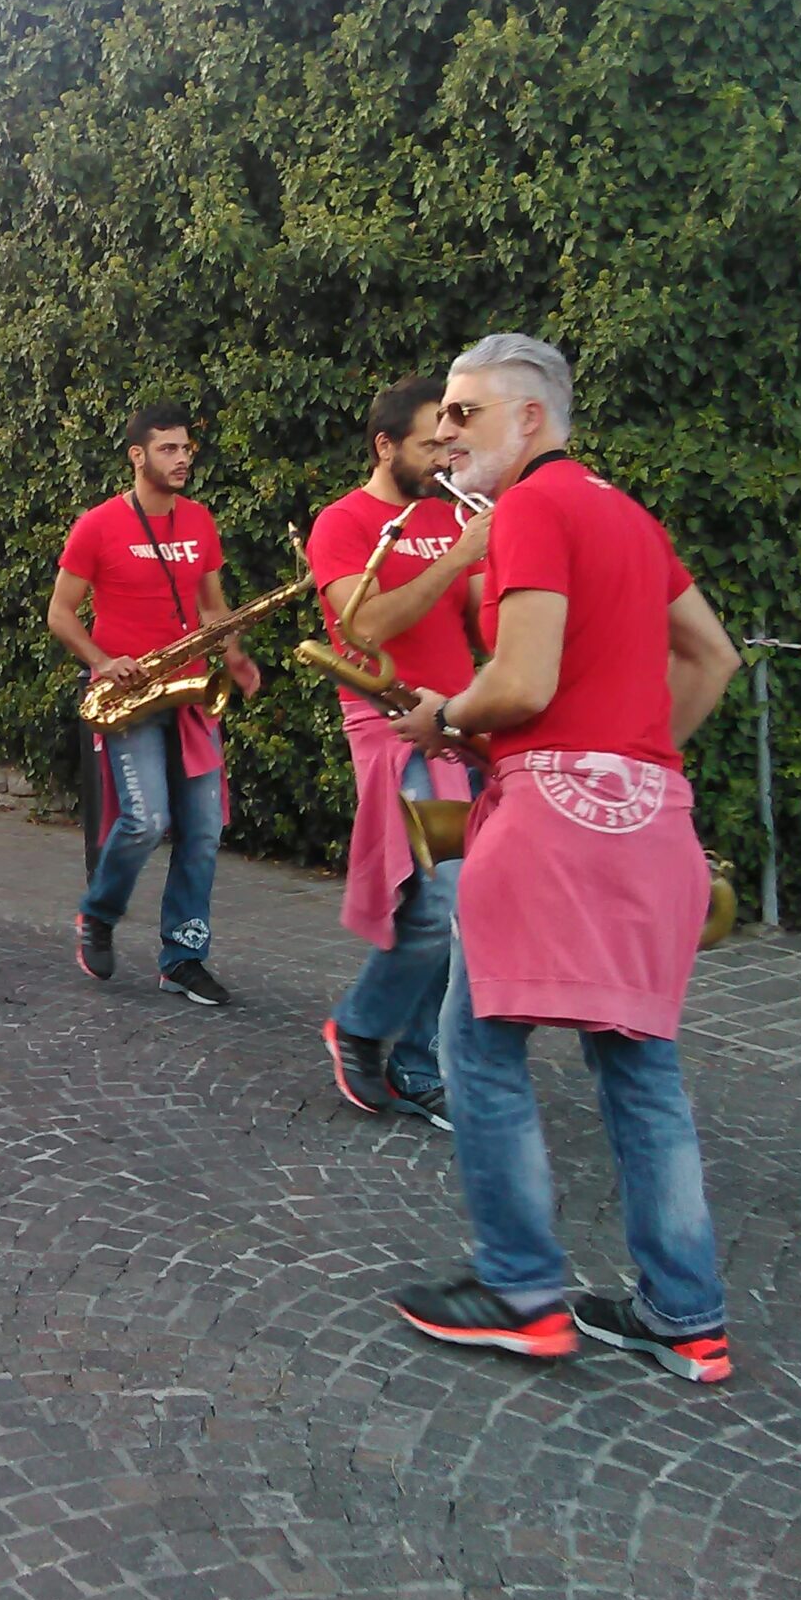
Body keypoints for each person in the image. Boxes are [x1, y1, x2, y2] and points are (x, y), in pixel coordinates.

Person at [388, 334, 744, 1384]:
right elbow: (713, 658)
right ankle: (684, 1315)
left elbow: (522, 682)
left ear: (531, 419)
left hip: (546, 824)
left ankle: (519, 1292)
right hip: (652, 820)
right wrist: (627, 757)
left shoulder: (529, 510)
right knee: (639, 1063)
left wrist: (446, 717)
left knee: (477, 1045)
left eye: (465, 413)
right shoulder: (628, 514)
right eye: (441, 418)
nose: (446, 434)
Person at [307, 376, 490, 1131]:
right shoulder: (343, 523)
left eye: (449, 443)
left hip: (459, 722)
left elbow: (483, 623)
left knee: (460, 907)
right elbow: (367, 627)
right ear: (385, 446)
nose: (445, 457)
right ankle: (362, 1030)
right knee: (438, 902)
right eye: (428, 445)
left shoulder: (454, 515)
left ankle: (416, 1060)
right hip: (391, 724)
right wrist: (458, 557)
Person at [47, 402, 260, 1008]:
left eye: (186, 448)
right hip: (127, 694)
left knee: (203, 829)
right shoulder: (97, 526)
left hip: (189, 692)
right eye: (168, 449)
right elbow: (60, 613)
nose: (182, 458)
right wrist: (101, 660)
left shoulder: (199, 520)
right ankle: (98, 915)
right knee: (145, 821)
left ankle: (184, 959)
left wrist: (234, 655)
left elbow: (212, 607)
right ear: (137, 456)